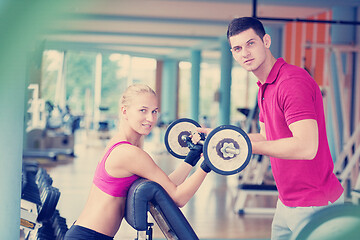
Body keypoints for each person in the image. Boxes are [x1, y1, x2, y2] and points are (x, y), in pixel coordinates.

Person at [198, 17, 344, 240]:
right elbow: (267, 136)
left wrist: (244, 147)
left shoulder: (291, 82)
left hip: (315, 203)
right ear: (233, 54)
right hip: (287, 202)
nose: (245, 53)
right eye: (237, 48)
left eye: (251, 43)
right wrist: (222, 136)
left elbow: (306, 147)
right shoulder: (265, 87)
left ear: (266, 41)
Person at [64, 84, 211, 240]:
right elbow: (178, 198)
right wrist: (207, 164)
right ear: (124, 111)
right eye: (143, 110)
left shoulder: (125, 146)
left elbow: (165, 187)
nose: (151, 118)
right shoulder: (129, 153)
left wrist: (193, 157)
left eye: (154, 111)